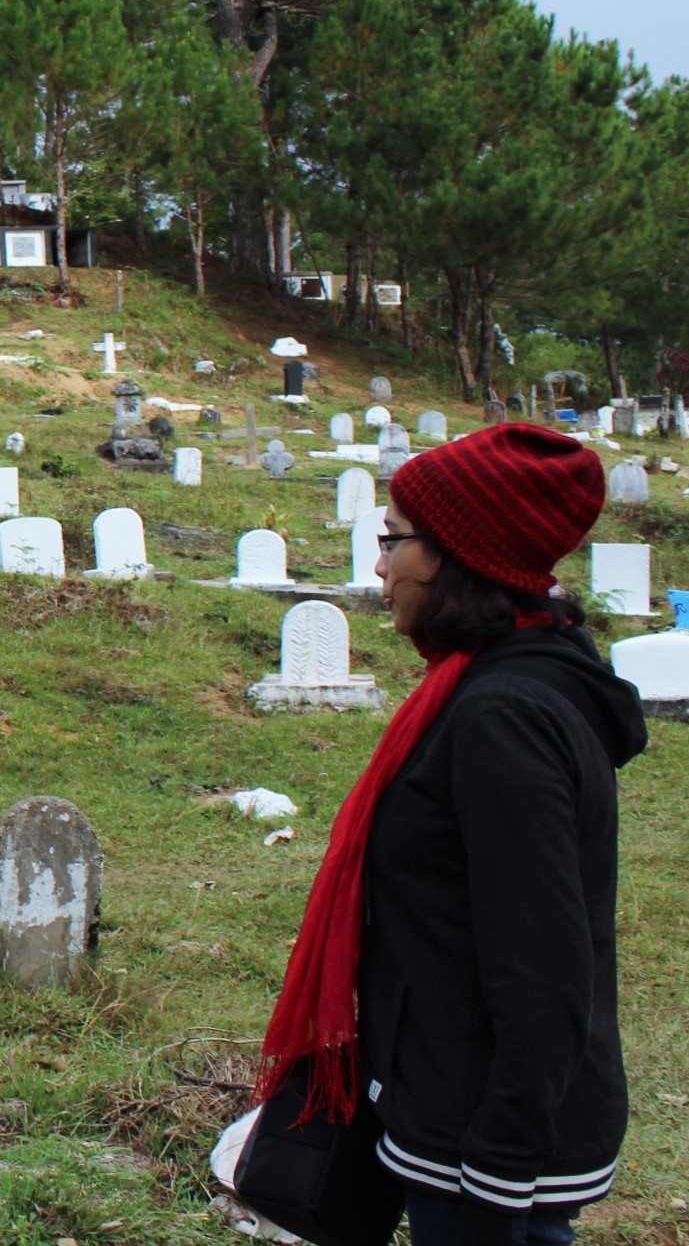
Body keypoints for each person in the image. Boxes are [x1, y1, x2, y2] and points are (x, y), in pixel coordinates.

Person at [257, 423, 646, 1246]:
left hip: (488, 1146)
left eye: (392, 540)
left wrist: (499, 1171)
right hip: (453, 1104)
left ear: (458, 553)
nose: (378, 565)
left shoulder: (501, 715)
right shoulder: (493, 687)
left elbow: (542, 961)